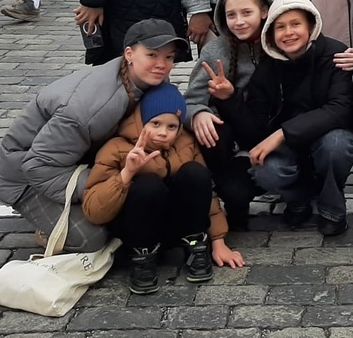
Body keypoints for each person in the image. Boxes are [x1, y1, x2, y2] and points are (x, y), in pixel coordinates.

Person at [0, 19, 184, 252]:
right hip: (26, 179)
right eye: (152, 55)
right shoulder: (86, 110)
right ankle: (48, 227)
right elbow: (37, 168)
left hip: (77, 160)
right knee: (94, 238)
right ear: (129, 54)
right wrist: (108, 184)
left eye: (169, 57)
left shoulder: (146, 78)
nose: (162, 65)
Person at [82, 82, 244, 294]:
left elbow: (206, 192)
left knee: (195, 172)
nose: (163, 133)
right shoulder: (117, 148)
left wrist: (218, 239)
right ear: (141, 122)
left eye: (172, 126)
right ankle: (143, 257)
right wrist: (126, 174)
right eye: (155, 123)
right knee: (148, 184)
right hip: (138, 228)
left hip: (176, 225)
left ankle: (195, 245)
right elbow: (94, 210)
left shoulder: (186, 143)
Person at [219, 0, 353, 235]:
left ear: (311, 25)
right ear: (271, 34)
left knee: (337, 145)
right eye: (280, 27)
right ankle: (298, 199)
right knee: (264, 170)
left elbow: (340, 109)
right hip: (289, 150)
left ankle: (331, 208)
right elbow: (255, 129)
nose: (288, 33)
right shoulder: (267, 67)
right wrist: (229, 99)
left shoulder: (335, 54)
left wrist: (283, 133)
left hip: (325, 138)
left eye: (296, 24)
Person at [185, 0, 274, 231]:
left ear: (265, 10)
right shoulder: (215, 51)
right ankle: (222, 194)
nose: (239, 21)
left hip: (263, 134)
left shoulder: (277, 45)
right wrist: (199, 113)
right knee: (213, 131)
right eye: (231, 14)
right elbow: (191, 99)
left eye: (247, 12)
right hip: (226, 141)